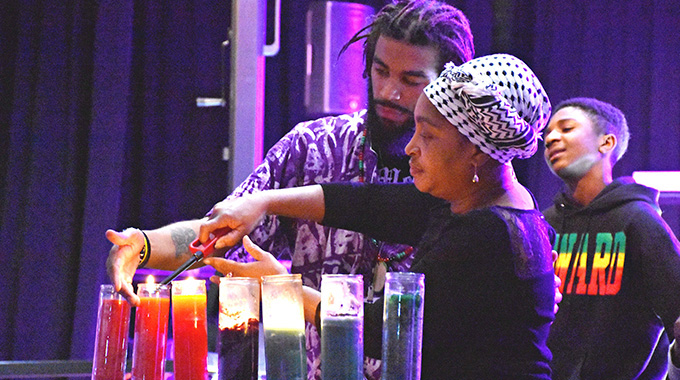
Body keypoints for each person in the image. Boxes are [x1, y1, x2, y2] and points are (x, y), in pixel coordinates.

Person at [105, 1, 475, 378]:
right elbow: (221, 230)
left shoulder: (465, 177)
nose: (389, 92)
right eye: (380, 71)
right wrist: (144, 244)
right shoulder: (315, 147)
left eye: (411, 81)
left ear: (450, 86)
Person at [200, 53, 555, 379]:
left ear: (476, 152)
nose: (410, 147)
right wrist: (262, 202)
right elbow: (368, 204)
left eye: (428, 136)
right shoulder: (482, 203)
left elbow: (380, 329)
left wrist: (282, 287)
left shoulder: (485, 232)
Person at [542, 97, 680, 379]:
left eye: (566, 128)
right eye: (547, 134)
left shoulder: (639, 220)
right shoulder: (546, 224)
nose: (551, 138)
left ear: (606, 143)